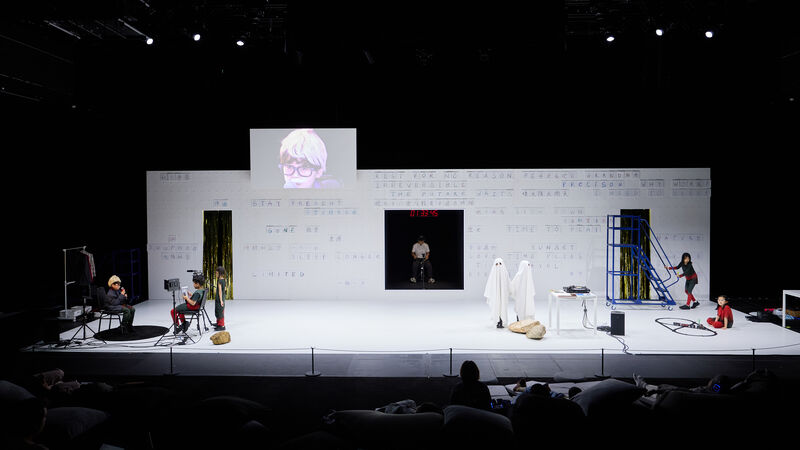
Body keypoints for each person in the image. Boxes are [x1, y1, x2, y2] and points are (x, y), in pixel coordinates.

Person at [485, 258, 510, 328]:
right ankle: (498, 321)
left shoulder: (505, 274)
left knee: (502, 307)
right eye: (497, 264)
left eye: (500, 264)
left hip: (503, 296)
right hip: (495, 296)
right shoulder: (493, 275)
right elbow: (489, 285)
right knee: (497, 306)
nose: (498, 266)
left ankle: (502, 321)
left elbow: (508, 284)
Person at [214, 266, 227, 331]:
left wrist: (221, 300)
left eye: (216, 273)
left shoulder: (219, 281)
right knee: (219, 311)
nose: (216, 274)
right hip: (222, 298)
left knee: (220, 312)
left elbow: (220, 291)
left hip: (219, 299)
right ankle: (218, 323)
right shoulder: (224, 280)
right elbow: (225, 289)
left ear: (220, 273)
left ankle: (222, 326)